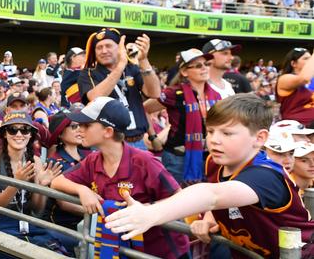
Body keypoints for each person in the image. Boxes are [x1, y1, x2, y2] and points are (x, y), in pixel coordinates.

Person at [104, 94, 314, 258]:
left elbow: (213, 194)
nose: (214, 140)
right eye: (211, 131)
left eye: (227, 133)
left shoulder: (266, 176)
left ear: (259, 138)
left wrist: (151, 214)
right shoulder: (214, 162)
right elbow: (220, 198)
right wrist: (210, 218)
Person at [51, 97, 190, 259]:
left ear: (108, 132)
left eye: (86, 125)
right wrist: (82, 190)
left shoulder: (144, 162)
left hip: (162, 251)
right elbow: (56, 181)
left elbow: (179, 199)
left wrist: (145, 210)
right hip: (123, 249)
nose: (79, 130)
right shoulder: (93, 160)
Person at [0, 111, 65, 253]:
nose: (19, 134)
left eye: (24, 130)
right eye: (13, 129)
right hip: (0, 224)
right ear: (5, 134)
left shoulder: (36, 161)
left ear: (30, 134)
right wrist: (15, 183)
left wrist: (41, 187)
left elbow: (37, 210)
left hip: (29, 224)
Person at [144, 49, 221, 184]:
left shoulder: (215, 95)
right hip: (177, 158)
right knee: (177, 199)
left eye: (206, 64)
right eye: (198, 66)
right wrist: (153, 137)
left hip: (208, 157)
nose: (204, 68)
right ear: (184, 72)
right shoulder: (174, 93)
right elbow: (144, 109)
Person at [77, 28, 161, 150]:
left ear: (120, 48)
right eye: (99, 48)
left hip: (138, 142)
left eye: (108, 46)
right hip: (108, 143)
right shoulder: (89, 73)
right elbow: (96, 98)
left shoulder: (132, 68)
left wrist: (143, 60)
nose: (104, 51)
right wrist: (120, 65)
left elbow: (154, 93)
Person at [276, 48, 314, 125]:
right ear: (293, 63)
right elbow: (304, 78)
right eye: (306, 58)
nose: (310, 61)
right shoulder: (284, 79)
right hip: (295, 130)